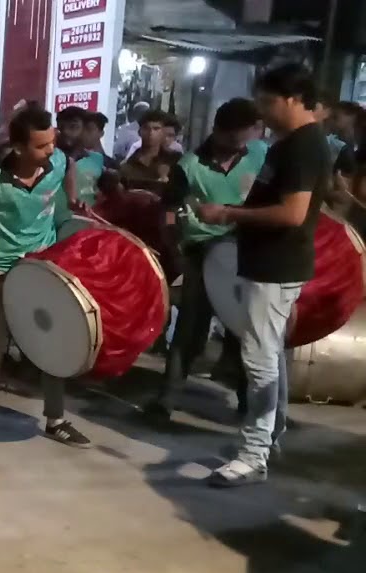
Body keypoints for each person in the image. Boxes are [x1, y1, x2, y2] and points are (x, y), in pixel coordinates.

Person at [195, 64, 329, 487]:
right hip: (267, 261)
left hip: (276, 265)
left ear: (292, 99)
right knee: (268, 354)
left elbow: (293, 214)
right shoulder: (289, 143)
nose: (263, 112)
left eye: (268, 102)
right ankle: (270, 436)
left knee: (258, 359)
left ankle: (253, 456)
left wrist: (228, 213)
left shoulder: (304, 146)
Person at [0, 106, 92, 466]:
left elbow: (66, 170)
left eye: (52, 142)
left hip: (43, 272)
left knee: (52, 346)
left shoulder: (57, 163)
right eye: (42, 146)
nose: (51, 151)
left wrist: (72, 201)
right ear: (20, 148)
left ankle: (56, 420)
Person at [145, 98, 267, 421]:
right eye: (231, 138)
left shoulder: (260, 155)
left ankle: (249, 405)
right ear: (216, 131)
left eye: (243, 138)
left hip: (247, 253)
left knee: (245, 333)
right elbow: (168, 212)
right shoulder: (188, 166)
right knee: (189, 331)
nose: (237, 145)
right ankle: (165, 402)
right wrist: (177, 252)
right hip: (201, 255)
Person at [57, 106, 107, 206]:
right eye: (61, 127)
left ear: (86, 130)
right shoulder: (51, 161)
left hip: (88, 220)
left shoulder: (98, 161)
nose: (65, 132)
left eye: (73, 127)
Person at [119, 110, 179, 193]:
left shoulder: (174, 161)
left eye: (156, 129)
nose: (151, 133)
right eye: (146, 128)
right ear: (140, 132)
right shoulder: (127, 166)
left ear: (163, 133)